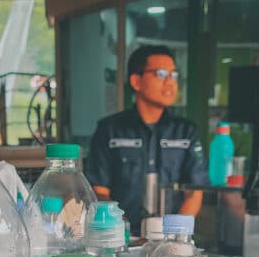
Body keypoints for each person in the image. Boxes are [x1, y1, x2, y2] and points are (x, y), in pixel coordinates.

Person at [86, 45, 209, 235]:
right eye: (161, 74)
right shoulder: (109, 130)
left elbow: (194, 193)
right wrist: (120, 231)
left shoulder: (185, 131)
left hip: (172, 239)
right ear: (136, 81)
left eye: (174, 75)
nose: (170, 82)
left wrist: (174, 237)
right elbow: (99, 190)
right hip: (122, 238)